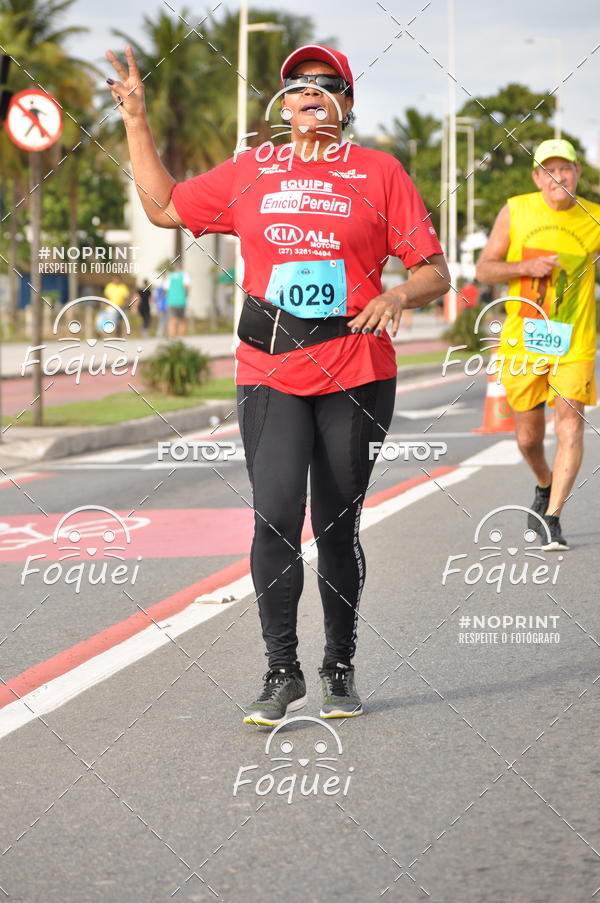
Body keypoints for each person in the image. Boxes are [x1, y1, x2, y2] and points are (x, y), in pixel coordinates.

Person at [106, 42, 450, 726]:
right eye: (298, 84)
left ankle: (340, 664)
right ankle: (282, 667)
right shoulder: (252, 170)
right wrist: (137, 121)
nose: (311, 92)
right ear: (284, 105)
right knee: (273, 513)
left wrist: (399, 296)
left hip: (355, 369)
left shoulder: (380, 173)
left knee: (335, 521)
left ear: (347, 105)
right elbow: (165, 209)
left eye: (328, 84)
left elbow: (435, 269)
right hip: (269, 368)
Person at [476, 138, 600, 551]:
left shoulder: (594, 218)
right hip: (523, 343)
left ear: (577, 173)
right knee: (528, 439)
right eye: (548, 170)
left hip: (574, 342)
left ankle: (553, 518)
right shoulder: (517, 209)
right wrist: (524, 266)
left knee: (570, 426)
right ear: (536, 177)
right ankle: (544, 484)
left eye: (565, 168)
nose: (557, 177)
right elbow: (484, 268)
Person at [166, 263, 190, 338]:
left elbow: (166, 289)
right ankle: (180, 337)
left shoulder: (170, 276)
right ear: (181, 267)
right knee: (182, 319)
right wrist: (185, 295)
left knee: (172, 319)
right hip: (181, 300)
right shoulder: (184, 275)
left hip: (171, 301)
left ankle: (172, 336)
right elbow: (187, 287)